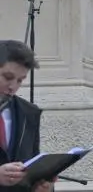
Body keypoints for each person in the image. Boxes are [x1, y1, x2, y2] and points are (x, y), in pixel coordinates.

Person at [0, 40, 53, 192]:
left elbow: (32, 163)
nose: (13, 87)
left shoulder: (29, 112)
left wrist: (40, 185)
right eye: (8, 77)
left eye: (20, 80)